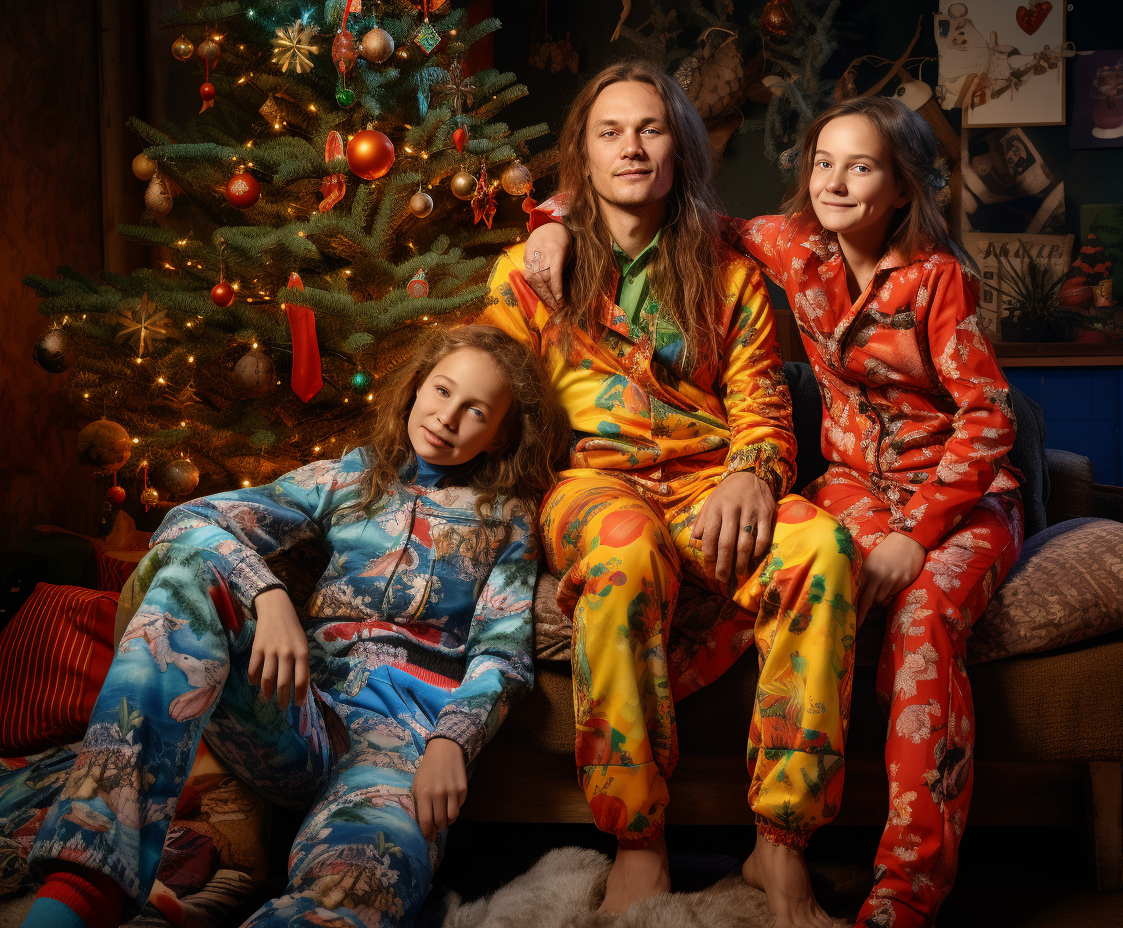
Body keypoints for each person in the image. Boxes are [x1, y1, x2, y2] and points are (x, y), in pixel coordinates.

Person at [523, 95, 1025, 928]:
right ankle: (668, 822)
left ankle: (905, 889)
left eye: (859, 167)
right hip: (854, 485)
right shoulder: (793, 246)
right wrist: (552, 215)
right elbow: (650, 194)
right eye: (822, 163)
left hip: (958, 493)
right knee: (811, 550)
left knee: (917, 621)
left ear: (901, 185)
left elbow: (990, 420)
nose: (833, 181)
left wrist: (917, 534)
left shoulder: (941, 277)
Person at [17, 326, 570, 928]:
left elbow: (502, 652)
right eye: (440, 391)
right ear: (415, 389)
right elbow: (189, 520)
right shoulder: (348, 479)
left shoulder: (507, 521)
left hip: (400, 748)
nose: (447, 417)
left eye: (476, 411)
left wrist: (450, 741)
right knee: (186, 574)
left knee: (361, 884)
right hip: (294, 709)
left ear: (499, 435)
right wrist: (268, 592)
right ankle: (82, 892)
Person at [480, 60, 860, 928]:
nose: (632, 148)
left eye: (650, 129)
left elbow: (764, 404)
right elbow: (497, 397)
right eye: (610, 132)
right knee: (621, 550)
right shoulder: (528, 273)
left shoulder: (729, 274)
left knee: (823, 548)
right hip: (594, 486)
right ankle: (638, 844)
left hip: (708, 481)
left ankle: (781, 841)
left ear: (679, 148)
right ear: (582, 153)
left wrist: (749, 477)